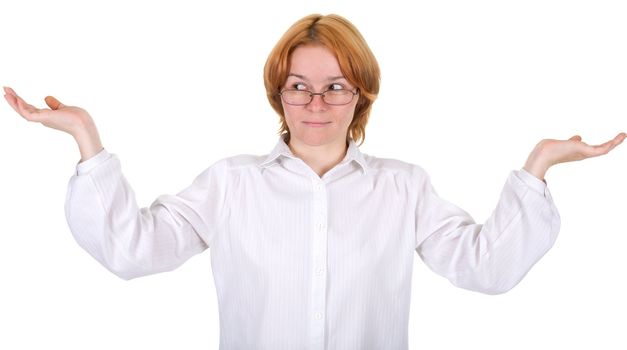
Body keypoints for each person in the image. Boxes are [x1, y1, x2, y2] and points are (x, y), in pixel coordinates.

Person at [3, 13, 625, 350]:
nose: (316, 101)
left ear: (362, 97)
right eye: (299, 85)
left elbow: (486, 269)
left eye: (336, 86)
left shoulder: (403, 187)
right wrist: (86, 136)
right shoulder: (230, 185)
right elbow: (131, 250)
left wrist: (538, 165)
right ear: (279, 93)